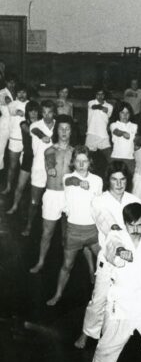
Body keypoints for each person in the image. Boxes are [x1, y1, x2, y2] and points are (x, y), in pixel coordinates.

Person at [85, 203, 141, 362]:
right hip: (120, 300)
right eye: (131, 225)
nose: (135, 230)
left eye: (140, 225)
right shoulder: (116, 237)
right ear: (125, 223)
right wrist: (121, 252)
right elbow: (113, 249)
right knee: (108, 343)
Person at [74, 161, 141, 350]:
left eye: (122, 180)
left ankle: (125, 338)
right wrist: (118, 236)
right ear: (108, 181)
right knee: (98, 300)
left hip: (129, 260)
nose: (119, 184)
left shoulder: (134, 200)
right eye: (114, 180)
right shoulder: (99, 201)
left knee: (126, 300)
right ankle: (87, 333)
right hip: (108, 259)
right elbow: (106, 222)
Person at [46, 146, 102, 306]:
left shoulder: (98, 180)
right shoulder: (67, 178)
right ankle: (57, 295)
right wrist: (80, 182)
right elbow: (71, 181)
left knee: (106, 261)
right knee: (66, 265)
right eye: (78, 161)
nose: (81, 164)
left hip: (93, 230)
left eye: (85, 161)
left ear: (90, 162)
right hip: (74, 231)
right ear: (73, 162)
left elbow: (98, 205)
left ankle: (94, 274)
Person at [29, 115, 74, 273]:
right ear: (56, 131)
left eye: (67, 129)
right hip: (53, 194)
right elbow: (49, 161)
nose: (64, 131)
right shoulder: (50, 150)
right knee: (47, 232)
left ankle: (72, 265)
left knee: (70, 233)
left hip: (69, 195)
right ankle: (40, 262)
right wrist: (50, 168)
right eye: (61, 128)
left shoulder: (75, 152)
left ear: (71, 131)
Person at [23, 99, 57, 237]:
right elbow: (36, 131)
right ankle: (29, 226)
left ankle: (59, 234)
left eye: (49, 112)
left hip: (55, 169)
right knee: (34, 201)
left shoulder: (59, 126)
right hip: (38, 169)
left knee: (56, 202)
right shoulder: (35, 125)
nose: (46, 115)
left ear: (54, 112)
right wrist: (43, 136)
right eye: (43, 112)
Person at [6, 100, 39, 215]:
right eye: (31, 111)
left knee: (37, 188)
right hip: (28, 158)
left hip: (39, 159)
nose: (33, 113)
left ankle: (35, 212)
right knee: (20, 185)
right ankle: (14, 206)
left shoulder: (42, 123)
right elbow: (31, 131)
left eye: (35, 111)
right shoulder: (23, 124)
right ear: (27, 112)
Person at [1, 82, 28, 195]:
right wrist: (18, 112)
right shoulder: (12, 104)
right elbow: (12, 110)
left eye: (24, 92)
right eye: (19, 92)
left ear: (27, 93)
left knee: (25, 167)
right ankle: (8, 187)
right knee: (12, 166)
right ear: (16, 93)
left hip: (27, 141)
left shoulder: (31, 104)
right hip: (14, 140)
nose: (21, 94)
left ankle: (21, 189)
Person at [86, 87, 113, 164]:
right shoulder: (90, 102)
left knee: (110, 158)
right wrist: (101, 107)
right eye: (98, 94)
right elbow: (94, 107)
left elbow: (107, 111)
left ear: (104, 95)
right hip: (91, 134)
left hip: (103, 136)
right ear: (95, 95)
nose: (100, 96)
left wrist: (104, 108)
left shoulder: (110, 106)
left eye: (102, 94)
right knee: (86, 158)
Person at [109, 102, 137, 173]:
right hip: (116, 158)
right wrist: (123, 133)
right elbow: (116, 131)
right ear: (118, 113)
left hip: (130, 159)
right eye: (122, 112)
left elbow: (137, 140)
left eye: (127, 113)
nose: (125, 115)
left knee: (130, 182)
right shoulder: (114, 125)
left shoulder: (135, 126)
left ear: (130, 114)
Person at [0, 74, 17, 175]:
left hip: (15, 125)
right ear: (5, 82)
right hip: (4, 125)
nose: (12, 84)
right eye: (9, 81)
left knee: (16, 149)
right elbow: (7, 101)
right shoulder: (1, 93)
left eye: (13, 82)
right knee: (0, 150)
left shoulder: (18, 93)